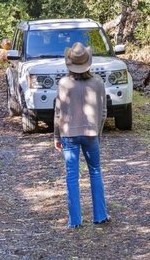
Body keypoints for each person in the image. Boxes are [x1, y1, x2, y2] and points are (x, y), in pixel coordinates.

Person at [53, 42, 109, 228]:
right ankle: (100, 215)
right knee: (95, 171)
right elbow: (103, 113)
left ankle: (75, 220)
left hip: (69, 135)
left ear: (70, 63)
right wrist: (98, 133)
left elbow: (58, 113)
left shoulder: (64, 84)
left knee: (72, 176)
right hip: (91, 133)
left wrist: (56, 137)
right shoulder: (98, 83)